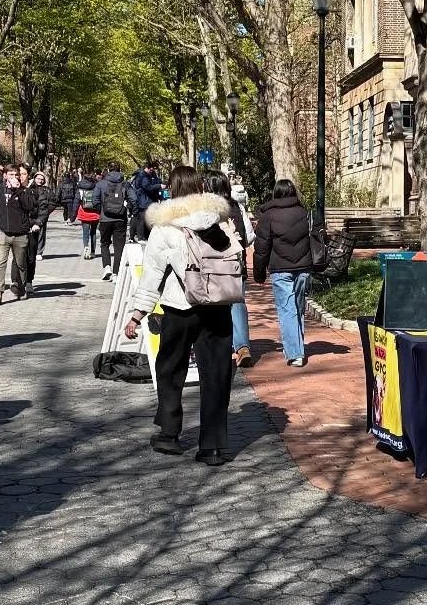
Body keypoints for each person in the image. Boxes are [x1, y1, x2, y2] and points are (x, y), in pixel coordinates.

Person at [123, 166, 236, 465]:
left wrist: (137, 314)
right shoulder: (223, 216)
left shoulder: (165, 225)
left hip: (180, 306)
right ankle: (212, 446)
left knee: (170, 370)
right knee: (216, 374)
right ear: (200, 187)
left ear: (171, 189)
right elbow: (243, 245)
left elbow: (152, 276)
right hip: (218, 304)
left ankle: (169, 433)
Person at [253, 179, 313, 366]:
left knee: (287, 310)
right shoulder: (305, 213)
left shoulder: (268, 216)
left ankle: (295, 353)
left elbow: (262, 248)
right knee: (298, 307)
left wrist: (259, 272)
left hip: (280, 268)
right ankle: (297, 347)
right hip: (304, 267)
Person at [206, 168, 252, 367]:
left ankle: (218, 348)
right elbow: (249, 236)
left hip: (212, 265)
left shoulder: (203, 209)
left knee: (214, 306)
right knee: (237, 304)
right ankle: (242, 347)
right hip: (235, 262)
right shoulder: (236, 207)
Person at [0, 166, 36, 302]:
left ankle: (21, 288)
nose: (14, 177)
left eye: (16, 175)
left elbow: (30, 206)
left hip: (20, 234)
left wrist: (19, 190)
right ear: (5, 176)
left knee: (21, 263)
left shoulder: (24, 190)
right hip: (3, 232)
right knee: (0, 263)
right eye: (11, 174)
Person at [94, 161, 130, 279]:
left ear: (108, 170)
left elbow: (95, 201)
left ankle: (107, 267)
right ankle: (116, 273)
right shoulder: (125, 184)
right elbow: (134, 199)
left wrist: (101, 212)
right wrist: (130, 212)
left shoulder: (101, 184)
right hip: (120, 219)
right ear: (120, 170)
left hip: (105, 219)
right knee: (119, 246)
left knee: (104, 243)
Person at [128, 160, 163, 242]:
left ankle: (146, 236)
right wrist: (159, 185)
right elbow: (147, 187)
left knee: (148, 219)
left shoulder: (151, 174)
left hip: (149, 201)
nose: (153, 170)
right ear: (147, 168)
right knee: (141, 219)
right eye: (151, 169)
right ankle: (140, 236)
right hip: (143, 201)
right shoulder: (142, 176)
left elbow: (154, 184)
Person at [74, 167, 100, 258]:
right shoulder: (97, 186)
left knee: (85, 232)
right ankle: (93, 252)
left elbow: (76, 202)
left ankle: (86, 247)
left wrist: (73, 216)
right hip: (95, 213)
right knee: (93, 232)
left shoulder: (80, 187)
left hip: (84, 212)